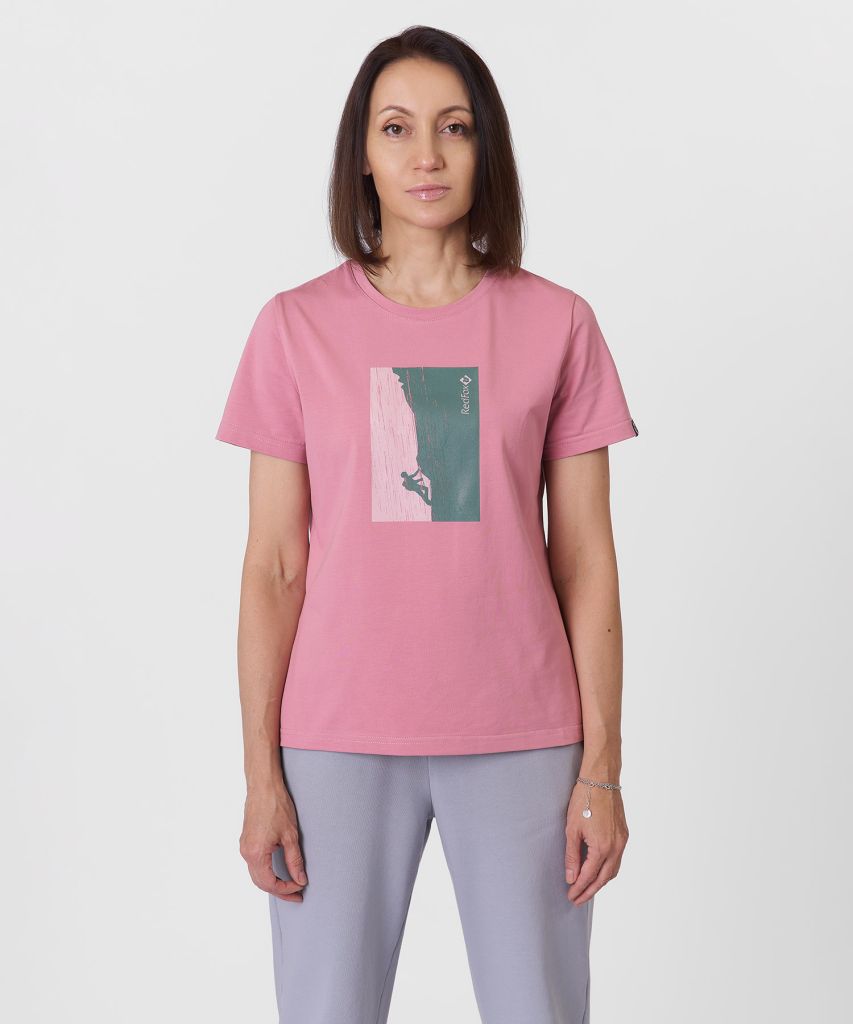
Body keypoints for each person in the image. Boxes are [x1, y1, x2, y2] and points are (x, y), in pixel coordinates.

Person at [215, 24, 638, 1024]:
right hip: (336, 737)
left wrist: (602, 768)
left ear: (485, 146)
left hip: (523, 732)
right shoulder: (294, 327)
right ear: (361, 153)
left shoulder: (558, 324)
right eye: (396, 128)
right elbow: (273, 566)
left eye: (454, 127)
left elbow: (585, 560)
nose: (427, 155)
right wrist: (261, 774)